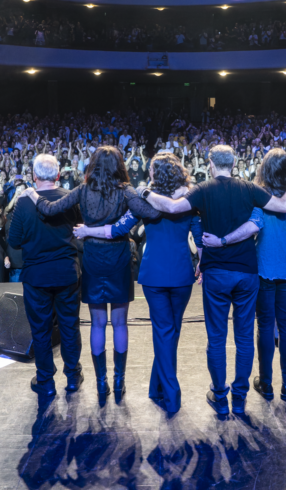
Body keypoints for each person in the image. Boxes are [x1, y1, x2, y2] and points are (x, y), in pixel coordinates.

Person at [143, 144, 286, 416]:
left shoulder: (203, 189)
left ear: (210, 163)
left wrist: (144, 191)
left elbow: (171, 206)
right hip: (247, 274)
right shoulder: (249, 188)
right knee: (244, 337)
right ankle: (239, 398)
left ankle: (219, 396)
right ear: (234, 163)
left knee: (216, 338)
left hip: (216, 274)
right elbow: (284, 205)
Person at [25, 146, 162, 397]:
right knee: (120, 323)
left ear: (93, 165)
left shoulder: (83, 190)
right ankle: (119, 382)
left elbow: (50, 209)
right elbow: (151, 212)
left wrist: (34, 195)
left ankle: (102, 382)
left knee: (98, 324)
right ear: (119, 165)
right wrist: (139, 206)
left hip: (93, 260)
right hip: (119, 259)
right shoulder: (126, 191)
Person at [73, 152, 202, 413]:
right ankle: (160, 388)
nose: (148, 173)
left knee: (166, 332)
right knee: (171, 332)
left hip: (154, 274)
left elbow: (118, 230)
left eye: (151, 170)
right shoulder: (190, 201)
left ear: (157, 173)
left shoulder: (145, 200)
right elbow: (199, 239)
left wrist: (87, 231)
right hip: (181, 274)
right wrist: (203, 263)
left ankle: (168, 391)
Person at [213, 149, 286, 404]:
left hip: (263, 268)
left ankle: (265, 383)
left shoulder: (259, 198)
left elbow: (252, 228)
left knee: (265, 325)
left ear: (264, 170)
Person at [7, 154, 84, 396]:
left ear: (34, 176)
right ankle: (72, 377)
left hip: (37, 276)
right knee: (70, 327)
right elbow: (80, 232)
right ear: (58, 175)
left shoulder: (24, 203)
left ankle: (46, 382)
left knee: (40, 330)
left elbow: (15, 242)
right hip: (66, 274)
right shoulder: (69, 199)